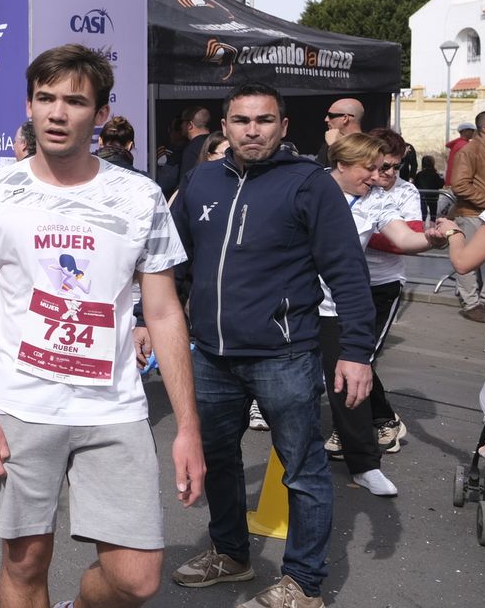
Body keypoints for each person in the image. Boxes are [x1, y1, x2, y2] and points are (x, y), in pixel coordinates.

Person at [0, 44, 202, 608]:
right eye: (46, 98)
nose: (58, 113)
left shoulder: (140, 197)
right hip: (20, 409)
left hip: (113, 409)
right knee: (26, 560)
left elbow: (162, 312)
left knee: (137, 579)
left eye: (75, 101)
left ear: (101, 114)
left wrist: (187, 427)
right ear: (30, 107)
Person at [168, 82, 375, 608]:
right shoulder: (201, 180)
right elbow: (171, 260)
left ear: (283, 127)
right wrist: (151, 315)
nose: (252, 130)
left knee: (303, 470)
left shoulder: (308, 184)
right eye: (241, 121)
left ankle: (304, 585)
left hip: (284, 355)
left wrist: (355, 350)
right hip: (211, 354)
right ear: (225, 126)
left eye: (264, 121)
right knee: (217, 458)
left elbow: (348, 272)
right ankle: (232, 554)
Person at [315, 132, 443, 496]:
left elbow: (404, 239)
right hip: (292, 303)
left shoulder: (376, 200)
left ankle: (365, 465)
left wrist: (432, 238)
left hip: (337, 307)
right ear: (341, 165)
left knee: (350, 383)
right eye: (368, 168)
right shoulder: (309, 188)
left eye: (381, 168)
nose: (376, 176)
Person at [448, 110, 485, 323]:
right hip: (473, 213)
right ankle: (471, 304)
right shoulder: (469, 150)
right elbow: (460, 185)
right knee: (467, 262)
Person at [314, 97, 364, 167]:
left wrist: (335, 146)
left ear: (345, 118)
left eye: (331, 115)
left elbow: (354, 170)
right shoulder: (328, 144)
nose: (326, 119)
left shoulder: (370, 146)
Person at [175, 106, 211, 181]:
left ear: (190, 125)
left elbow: (186, 181)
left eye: (182, 122)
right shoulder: (218, 142)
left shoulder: (191, 149)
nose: (181, 126)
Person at [415, 154, 444, 222]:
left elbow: (415, 185)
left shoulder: (419, 174)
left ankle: (422, 229)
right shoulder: (435, 175)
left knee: (423, 215)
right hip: (433, 196)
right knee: (433, 215)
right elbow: (440, 185)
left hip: (423, 197)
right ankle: (432, 229)